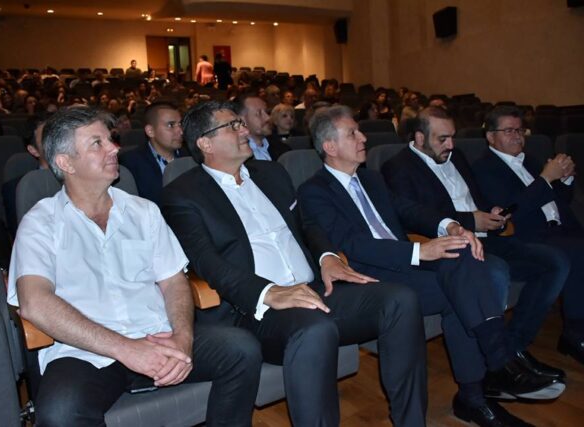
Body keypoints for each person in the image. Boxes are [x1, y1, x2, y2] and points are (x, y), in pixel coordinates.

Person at [161, 100, 429, 427]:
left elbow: (308, 225)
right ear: (205, 143)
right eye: (233, 126)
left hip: (313, 290)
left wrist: (327, 257)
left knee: (400, 299)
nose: (244, 130)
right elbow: (207, 263)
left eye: (241, 123)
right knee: (314, 328)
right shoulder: (183, 195)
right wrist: (269, 292)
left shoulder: (272, 173)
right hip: (257, 311)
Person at [297, 105, 564, 427]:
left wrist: (450, 226)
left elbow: (410, 210)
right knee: (461, 286)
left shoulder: (370, 178)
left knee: (462, 257)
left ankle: (487, 379)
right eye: (353, 133)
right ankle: (491, 375)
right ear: (330, 146)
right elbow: (353, 244)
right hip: (371, 276)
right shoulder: (314, 191)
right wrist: (419, 251)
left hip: (406, 264)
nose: (363, 137)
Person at [7, 106, 261, 426]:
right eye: (97, 143)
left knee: (242, 349)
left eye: (110, 139)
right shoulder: (40, 223)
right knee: (60, 411)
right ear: (65, 163)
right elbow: (34, 303)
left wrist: (183, 339)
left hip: (158, 336)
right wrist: (126, 349)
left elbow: (174, 282)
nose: (114, 148)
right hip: (86, 352)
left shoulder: (144, 212)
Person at [381, 106, 569, 381]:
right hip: (453, 246)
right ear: (420, 138)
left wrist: (491, 213)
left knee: (555, 262)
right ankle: (494, 368)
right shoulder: (398, 167)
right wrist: (471, 221)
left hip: (487, 238)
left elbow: (475, 199)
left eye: (452, 137)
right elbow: (415, 218)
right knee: (494, 270)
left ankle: (512, 348)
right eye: (442, 139)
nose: (451, 145)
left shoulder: (455, 156)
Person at [473, 105, 584, 366]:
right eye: (509, 131)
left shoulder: (531, 160)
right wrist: (545, 179)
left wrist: (565, 179)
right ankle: (575, 332)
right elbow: (512, 212)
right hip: (529, 236)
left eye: (520, 130)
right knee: (578, 252)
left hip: (559, 228)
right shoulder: (484, 168)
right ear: (491, 136)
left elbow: (558, 200)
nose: (517, 136)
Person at [119, 102, 189, 205]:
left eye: (180, 124)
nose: (181, 131)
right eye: (171, 125)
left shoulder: (192, 157)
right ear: (150, 131)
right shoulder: (130, 163)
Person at [1, 113, 51, 236]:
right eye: (47, 138)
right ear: (33, 150)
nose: (58, 141)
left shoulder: (87, 177)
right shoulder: (16, 189)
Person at [235, 94, 290, 161]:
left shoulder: (282, 149)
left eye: (267, 112)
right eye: (259, 113)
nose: (268, 117)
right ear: (242, 120)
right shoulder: (236, 157)